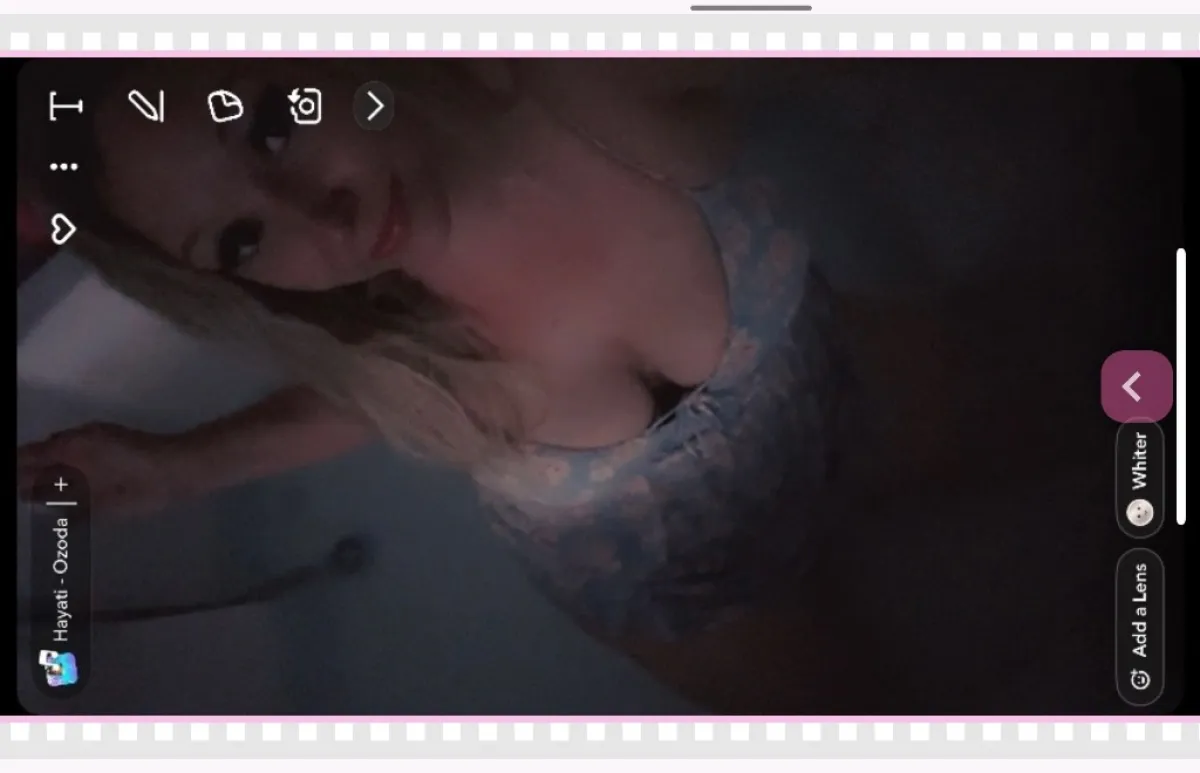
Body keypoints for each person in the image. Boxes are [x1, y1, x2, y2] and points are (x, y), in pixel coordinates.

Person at [16, 59, 1181, 712]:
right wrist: (182, 467)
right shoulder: (379, 340)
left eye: (275, 124)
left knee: (1097, 385)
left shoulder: (579, 87)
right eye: (239, 241)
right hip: (685, 587)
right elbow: (384, 401)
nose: (319, 219)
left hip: (837, 387)